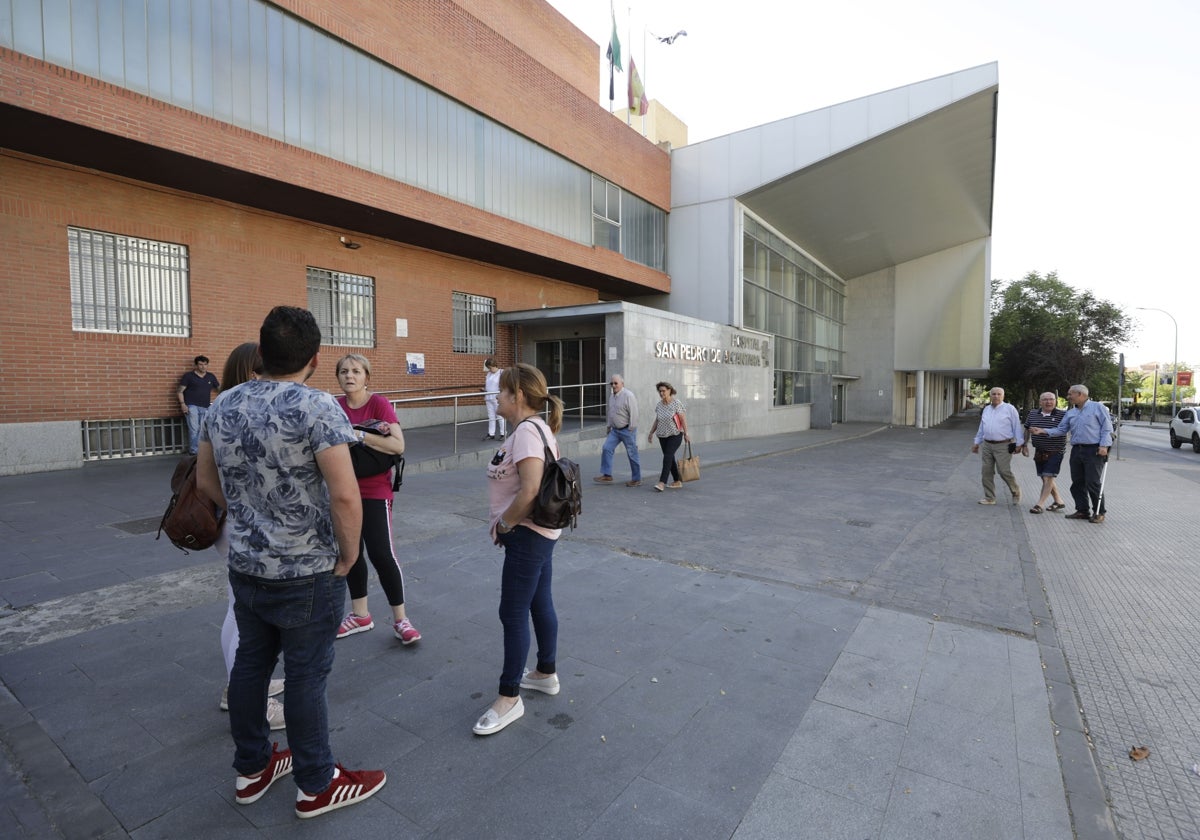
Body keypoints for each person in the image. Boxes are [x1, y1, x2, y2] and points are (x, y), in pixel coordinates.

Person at [196, 306, 385, 818]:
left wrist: (249, 514)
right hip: (307, 568)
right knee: (305, 676)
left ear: (260, 353)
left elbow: (205, 481)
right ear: (316, 359)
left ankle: (252, 768)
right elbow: (346, 497)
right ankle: (316, 783)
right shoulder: (318, 406)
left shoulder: (224, 403)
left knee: (251, 665)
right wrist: (348, 557)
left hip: (247, 562)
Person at [475, 363, 563, 736]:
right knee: (539, 602)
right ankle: (545, 672)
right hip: (537, 534)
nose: (497, 396)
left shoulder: (528, 432)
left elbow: (529, 490)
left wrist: (505, 525)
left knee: (512, 612)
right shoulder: (532, 429)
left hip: (527, 534)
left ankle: (509, 697)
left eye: (503, 391)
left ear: (519, 396)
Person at [214, 343, 285, 727]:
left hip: (228, 520)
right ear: (254, 373)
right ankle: (248, 697)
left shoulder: (220, 405)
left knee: (236, 607)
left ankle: (236, 685)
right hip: (241, 522)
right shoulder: (242, 409)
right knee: (246, 615)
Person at [333, 353, 421, 645]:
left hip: (374, 490)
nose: (350, 376)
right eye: (344, 371)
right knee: (351, 552)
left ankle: (401, 619)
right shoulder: (334, 406)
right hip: (343, 489)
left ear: (366, 377)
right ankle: (361, 615)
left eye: (356, 371)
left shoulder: (378, 404)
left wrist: (358, 434)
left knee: (382, 553)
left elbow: (398, 444)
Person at [1029, 383, 1113, 523]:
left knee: (1092, 482)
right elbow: (1062, 429)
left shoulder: (1097, 407)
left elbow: (1107, 428)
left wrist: (1104, 445)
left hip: (1094, 450)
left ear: (1080, 394)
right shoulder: (1071, 412)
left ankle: (1099, 512)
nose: (1068, 397)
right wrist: (1044, 431)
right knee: (1077, 482)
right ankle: (1082, 510)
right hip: (1076, 450)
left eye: (1070, 394)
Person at [970, 387, 1024, 505]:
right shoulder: (987, 409)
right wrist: (976, 442)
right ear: (990, 396)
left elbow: (1016, 427)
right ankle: (989, 497)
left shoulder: (1010, 409)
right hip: (987, 445)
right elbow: (982, 427)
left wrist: (1020, 444)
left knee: (1003, 471)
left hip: (1003, 445)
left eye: (999, 394)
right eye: (993, 394)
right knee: (986, 472)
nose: (996, 396)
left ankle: (1016, 491)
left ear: (1003, 396)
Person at [1021, 392, 1067, 514]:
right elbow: (1026, 429)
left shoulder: (1063, 415)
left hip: (1056, 451)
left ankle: (1039, 504)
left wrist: (1043, 431)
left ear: (1056, 401)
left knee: (1048, 477)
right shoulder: (1032, 414)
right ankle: (1058, 501)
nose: (1048, 402)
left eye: (1051, 399)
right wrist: (1024, 445)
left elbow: (1062, 431)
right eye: (1045, 400)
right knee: (1045, 478)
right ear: (1040, 402)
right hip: (1039, 451)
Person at [594, 374, 642, 487]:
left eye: (616, 383)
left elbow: (634, 413)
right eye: (612, 383)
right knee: (606, 448)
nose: (614, 385)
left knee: (632, 454)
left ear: (622, 384)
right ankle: (607, 475)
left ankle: (636, 479)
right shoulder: (612, 396)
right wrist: (609, 426)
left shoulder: (628, 395)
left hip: (627, 430)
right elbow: (611, 413)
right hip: (615, 431)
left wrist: (631, 428)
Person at [647, 381, 688, 492]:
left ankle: (662, 482)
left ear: (669, 391)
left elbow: (683, 419)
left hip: (675, 435)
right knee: (670, 458)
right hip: (662, 436)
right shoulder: (659, 405)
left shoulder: (676, 403)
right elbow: (657, 420)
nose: (661, 393)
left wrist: (686, 434)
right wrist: (651, 433)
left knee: (667, 457)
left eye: (663, 391)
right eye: (660, 391)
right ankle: (677, 481)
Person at [177, 355, 219, 455]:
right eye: (200, 364)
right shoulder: (188, 376)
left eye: (205, 364)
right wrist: (183, 404)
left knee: (202, 430)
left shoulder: (210, 377)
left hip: (205, 407)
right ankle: (194, 451)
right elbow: (179, 391)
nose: (203, 367)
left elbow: (220, 389)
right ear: (196, 365)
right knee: (194, 429)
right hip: (192, 406)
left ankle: (201, 451)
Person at [482, 358, 506, 441]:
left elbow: (504, 385)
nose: (490, 369)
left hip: (497, 397)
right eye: (488, 368)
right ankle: (491, 433)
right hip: (488, 397)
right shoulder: (489, 374)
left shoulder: (501, 372)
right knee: (491, 416)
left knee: (500, 416)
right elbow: (488, 385)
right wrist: (484, 389)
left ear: (494, 365)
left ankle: (503, 433)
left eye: (490, 367)